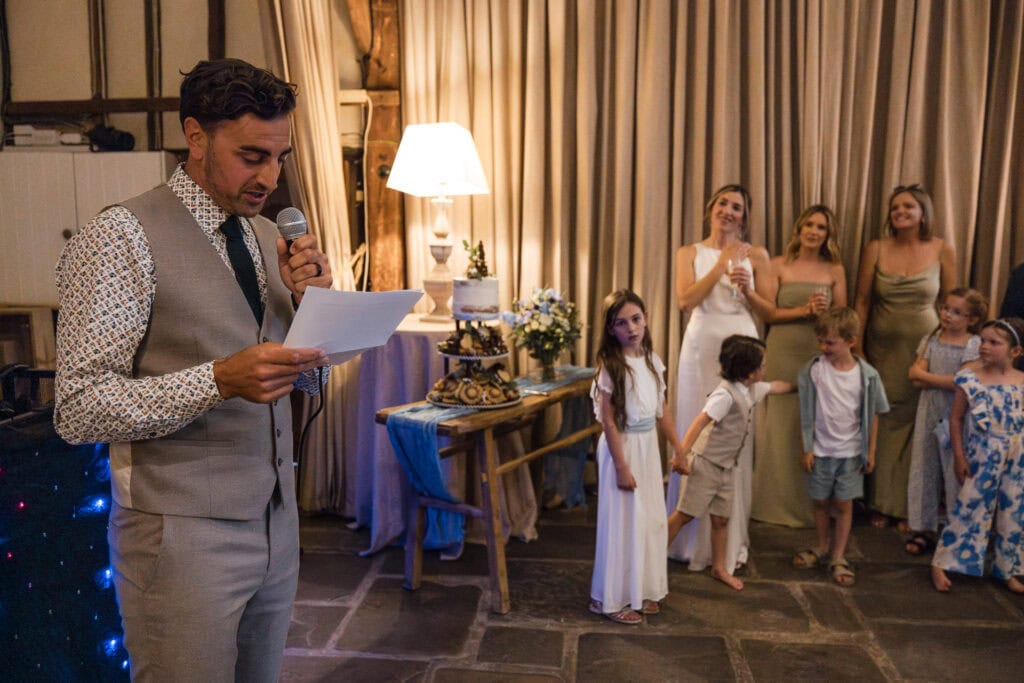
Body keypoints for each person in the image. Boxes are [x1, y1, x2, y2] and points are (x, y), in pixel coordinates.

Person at [54, 58, 333, 681]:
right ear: (196, 136)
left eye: (279, 157)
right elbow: (79, 407)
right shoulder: (120, 236)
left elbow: (306, 383)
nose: (270, 177)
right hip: (180, 536)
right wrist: (218, 380)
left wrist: (314, 314)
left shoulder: (268, 236)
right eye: (252, 156)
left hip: (277, 521)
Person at [667, 183, 770, 576]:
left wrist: (748, 290)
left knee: (732, 436)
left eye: (737, 207)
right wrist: (720, 263)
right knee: (700, 430)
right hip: (701, 347)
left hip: (742, 342)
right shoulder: (689, 252)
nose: (728, 211)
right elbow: (685, 301)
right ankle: (685, 538)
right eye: (723, 203)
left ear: (744, 216)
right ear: (711, 208)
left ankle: (726, 541)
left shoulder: (757, 255)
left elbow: (769, 311)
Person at [853, 184, 955, 531]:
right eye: (895, 207)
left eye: (908, 206)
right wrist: (857, 347)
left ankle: (911, 507)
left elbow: (950, 302)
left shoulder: (942, 248)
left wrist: (949, 348)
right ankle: (881, 502)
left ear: (923, 213)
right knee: (883, 418)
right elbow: (862, 301)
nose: (900, 212)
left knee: (920, 423)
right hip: (882, 349)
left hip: (925, 351)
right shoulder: (876, 248)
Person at [588, 290, 685, 624]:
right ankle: (610, 599)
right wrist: (621, 467)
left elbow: (662, 409)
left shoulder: (652, 361)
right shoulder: (611, 368)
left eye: (636, 319)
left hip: (647, 448)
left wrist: (678, 448)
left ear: (645, 319)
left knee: (648, 520)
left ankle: (640, 589)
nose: (631, 328)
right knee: (622, 521)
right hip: (623, 449)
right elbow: (608, 421)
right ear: (610, 329)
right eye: (621, 323)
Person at [668, 335, 794, 591]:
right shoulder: (724, 395)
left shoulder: (750, 389)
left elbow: (776, 387)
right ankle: (650, 561)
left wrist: (800, 386)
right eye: (762, 365)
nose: (765, 369)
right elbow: (699, 422)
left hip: (726, 468)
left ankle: (718, 567)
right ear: (749, 371)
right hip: (705, 465)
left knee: (721, 520)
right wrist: (681, 455)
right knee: (684, 515)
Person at [748, 204, 847, 528]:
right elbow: (768, 313)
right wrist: (805, 310)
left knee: (815, 424)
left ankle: (812, 506)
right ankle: (772, 504)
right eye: (809, 225)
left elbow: (843, 318)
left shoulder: (835, 269)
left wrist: (824, 315)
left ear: (828, 235)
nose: (814, 232)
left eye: (821, 227)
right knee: (779, 424)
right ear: (799, 228)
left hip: (818, 351)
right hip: (782, 349)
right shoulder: (777, 265)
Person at [792, 307, 890, 587]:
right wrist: (807, 447)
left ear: (850, 341)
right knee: (821, 501)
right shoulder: (815, 370)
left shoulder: (867, 376)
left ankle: (838, 554)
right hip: (821, 450)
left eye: (830, 343)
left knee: (844, 504)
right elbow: (806, 411)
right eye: (821, 341)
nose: (824, 348)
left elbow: (874, 414)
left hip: (850, 453)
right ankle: (822, 546)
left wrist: (870, 451)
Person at [931, 318, 1024, 593]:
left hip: (1017, 456)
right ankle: (941, 562)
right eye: (983, 340)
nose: (984, 346)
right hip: (984, 453)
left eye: (994, 342)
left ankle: (1006, 567)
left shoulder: (1022, 381)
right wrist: (960, 457)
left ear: (1015, 351)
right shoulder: (970, 379)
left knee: (1013, 513)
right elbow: (956, 418)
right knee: (970, 505)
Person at [903, 288, 986, 556]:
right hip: (929, 409)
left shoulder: (973, 344)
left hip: (956, 414)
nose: (948, 315)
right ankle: (923, 527)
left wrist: (927, 377)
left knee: (954, 471)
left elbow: (961, 382)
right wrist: (939, 379)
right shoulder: (931, 338)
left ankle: (956, 530)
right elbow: (913, 376)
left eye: (957, 312)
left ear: (972, 319)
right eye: (946, 308)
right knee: (924, 467)